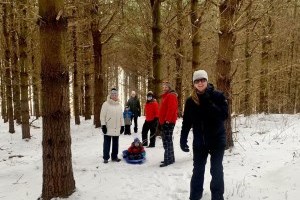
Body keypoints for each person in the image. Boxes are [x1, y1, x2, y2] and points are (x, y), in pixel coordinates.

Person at [180, 70, 228, 200]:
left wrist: (209, 103)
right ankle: (195, 197)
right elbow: (186, 122)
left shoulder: (218, 96)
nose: (200, 83)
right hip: (200, 142)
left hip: (217, 140)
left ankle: (217, 197)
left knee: (216, 170)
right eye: (197, 81)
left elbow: (224, 115)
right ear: (194, 83)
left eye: (203, 80)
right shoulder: (190, 101)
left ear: (207, 81)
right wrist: (182, 139)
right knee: (198, 171)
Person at [100, 88, 125, 164]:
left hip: (117, 127)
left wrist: (122, 126)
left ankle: (114, 157)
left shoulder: (120, 105)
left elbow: (121, 117)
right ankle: (106, 158)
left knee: (115, 144)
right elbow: (102, 116)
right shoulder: (106, 104)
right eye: (113, 94)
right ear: (110, 95)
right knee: (107, 143)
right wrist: (103, 125)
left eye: (115, 94)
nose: (114, 95)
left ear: (117, 95)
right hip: (108, 127)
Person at [158, 81, 178, 167]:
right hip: (164, 121)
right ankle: (170, 158)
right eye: (163, 86)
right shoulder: (165, 96)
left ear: (169, 87)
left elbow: (172, 109)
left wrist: (167, 121)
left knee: (167, 141)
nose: (164, 87)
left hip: (168, 122)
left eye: (166, 86)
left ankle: (168, 159)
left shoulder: (171, 95)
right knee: (167, 140)